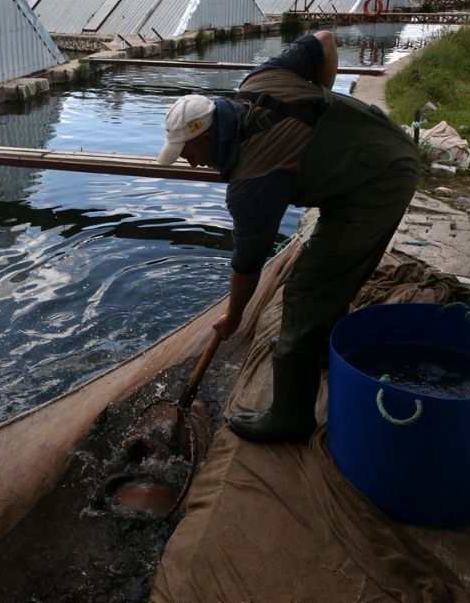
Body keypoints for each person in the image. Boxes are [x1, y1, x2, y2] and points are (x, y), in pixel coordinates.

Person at [156, 31, 420, 443]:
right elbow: (325, 41)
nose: (189, 162)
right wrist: (321, 108)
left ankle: (291, 417)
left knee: (304, 292)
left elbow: (248, 262)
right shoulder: (259, 82)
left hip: (377, 181)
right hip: (378, 145)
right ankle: (319, 349)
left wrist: (236, 315)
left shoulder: (253, 178)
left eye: (188, 152)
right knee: (328, 274)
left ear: (207, 136)